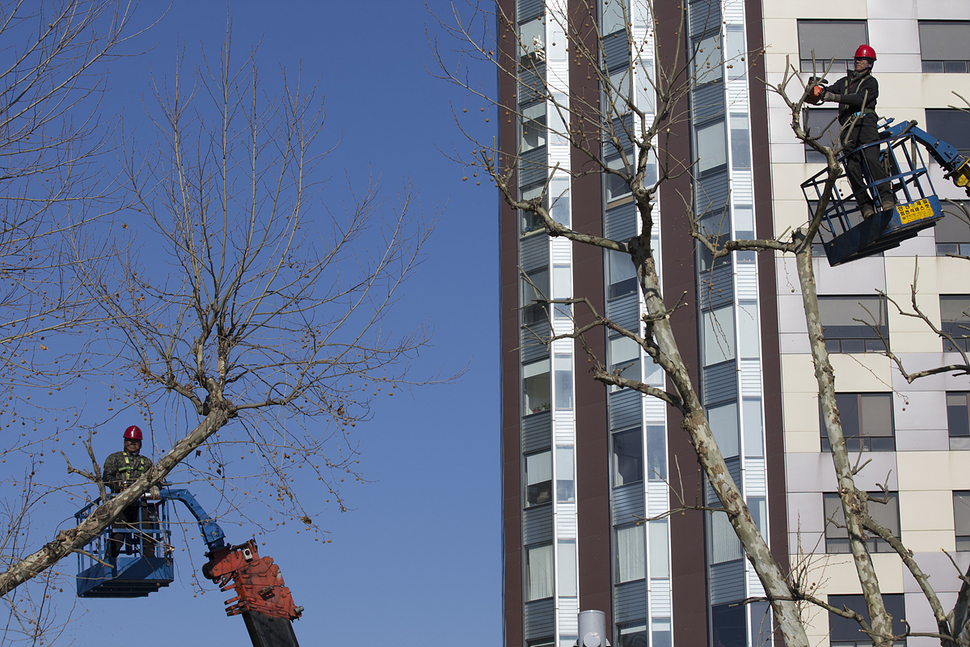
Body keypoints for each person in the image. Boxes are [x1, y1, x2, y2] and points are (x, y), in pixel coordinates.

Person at [810, 44, 895, 219]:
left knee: (872, 160)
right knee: (852, 168)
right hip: (848, 128)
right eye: (856, 59)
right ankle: (865, 205)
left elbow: (860, 99)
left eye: (861, 60)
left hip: (865, 125)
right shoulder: (844, 82)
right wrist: (818, 89)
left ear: (869, 64)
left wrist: (835, 97)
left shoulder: (871, 83)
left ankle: (886, 198)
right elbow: (830, 91)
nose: (857, 62)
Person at [102, 425, 155, 558]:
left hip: (140, 505)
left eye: (135, 442)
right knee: (118, 535)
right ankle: (109, 562)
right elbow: (107, 478)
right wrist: (120, 485)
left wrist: (156, 487)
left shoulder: (146, 462)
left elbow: (157, 478)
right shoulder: (114, 459)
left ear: (140, 444)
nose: (132, 444)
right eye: (129, 441)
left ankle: (152, 564)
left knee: (147, 534)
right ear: (125, 442)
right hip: (121, 504)